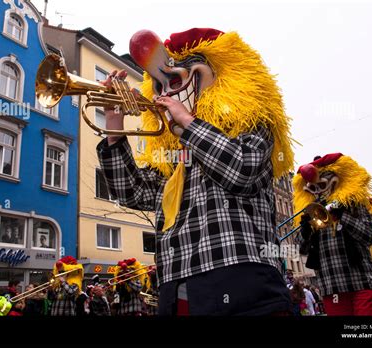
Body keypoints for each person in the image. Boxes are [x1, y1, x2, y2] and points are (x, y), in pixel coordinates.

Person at [98, 28, 295, 316]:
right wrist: (114, 130)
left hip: (241, 281)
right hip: (177, 288)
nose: (167, 92)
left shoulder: (251, 124)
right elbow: (131, 192)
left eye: (174, 80)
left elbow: (244, 171)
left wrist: (189, 125)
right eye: (161, 85)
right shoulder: (173, 156)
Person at [294, 153, 372, 316]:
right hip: (331, 288)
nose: (320, 191)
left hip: (361, 284)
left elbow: (370, 236)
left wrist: (343, 215)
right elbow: (301, 250)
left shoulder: (354, 205)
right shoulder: (313, 211)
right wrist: (305, 230)